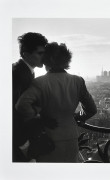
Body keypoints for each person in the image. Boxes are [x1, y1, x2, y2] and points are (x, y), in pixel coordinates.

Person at [15, 42, 97, 162]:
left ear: (47, 60)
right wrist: (78, 117)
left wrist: (37, 117)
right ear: (66, 60)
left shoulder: (40, 82)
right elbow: (92, 109)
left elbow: (21, 105)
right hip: (71, 137)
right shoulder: (77, 81)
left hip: (47, 139)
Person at [12, 32, 48, 162]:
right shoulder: (19, 75)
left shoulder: (21, 71)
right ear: (26, 54)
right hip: (18, 143)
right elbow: (12, 112)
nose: (44, 57)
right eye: (40, 53)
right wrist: (23, 143)